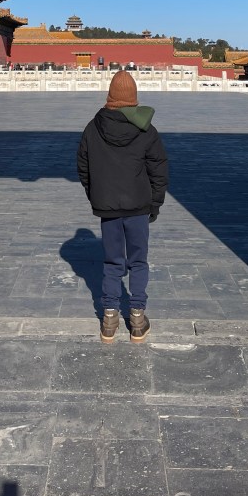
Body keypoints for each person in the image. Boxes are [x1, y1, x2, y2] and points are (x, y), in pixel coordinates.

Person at [76, 70, 169, 344]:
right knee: (138, 261)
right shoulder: (146, 129)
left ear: (110, 94)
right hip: (138, 207)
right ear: (133, 97)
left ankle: (109, 320)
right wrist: (155, 203)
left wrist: (95, 195)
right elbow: (159, 169)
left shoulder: (93, 127)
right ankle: (137, 319)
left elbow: (83, 166)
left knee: (112, 262)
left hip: (108, 209)